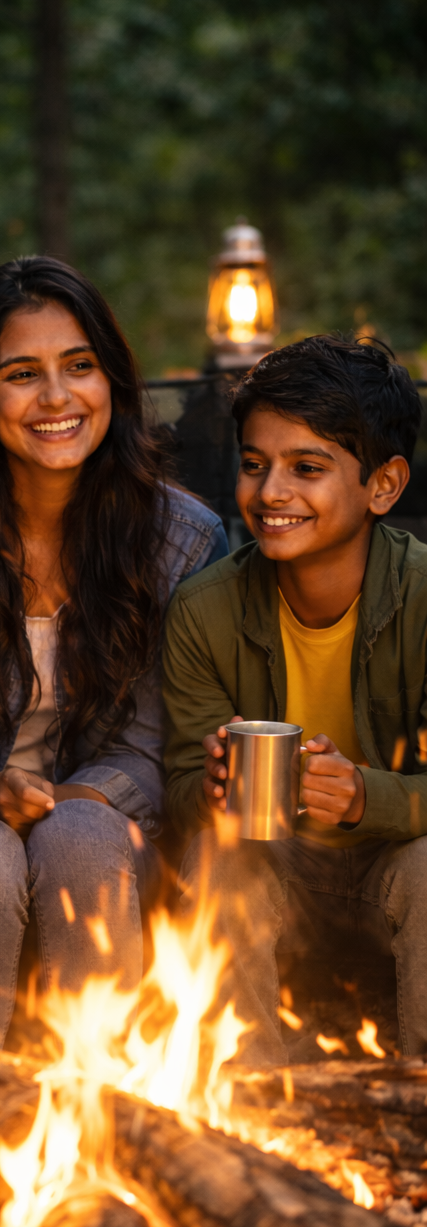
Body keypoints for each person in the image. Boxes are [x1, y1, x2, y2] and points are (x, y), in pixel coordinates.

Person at [0, 256, 227, 1047]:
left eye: (80, 367)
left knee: (82, 836)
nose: (57, 398)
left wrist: (58, 809)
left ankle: (98, 1106)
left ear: (114, 383)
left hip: (111, 832)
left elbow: (149, 749)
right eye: (21, 374)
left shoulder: (180, 537)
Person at [163, 334, 427, 1063]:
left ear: (384, 485)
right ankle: (251, 1110)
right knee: (219, 858)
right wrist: (211, 789)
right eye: (255, 465)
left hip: (393, 869)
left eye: (306, 468)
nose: (271, 493)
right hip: (277, 870)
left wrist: (364, 798)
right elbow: (180, 787)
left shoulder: (423, 600)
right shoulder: (205, 610)